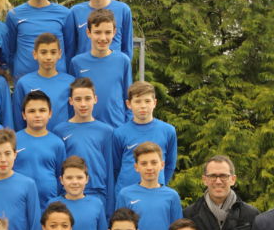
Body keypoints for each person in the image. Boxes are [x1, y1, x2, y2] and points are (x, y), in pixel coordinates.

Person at [52, 77, 116, 215]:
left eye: (87, 98)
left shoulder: (106, 131)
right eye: (78, 99)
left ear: (95, 99)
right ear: (70, 101)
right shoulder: (60, 130)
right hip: (68, 194)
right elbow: (58, 168)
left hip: (97, 192)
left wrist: (110, 207)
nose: (83, 104)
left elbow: (110, 170)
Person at [115, 142, 182, 230]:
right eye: (144, 163)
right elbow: (119, 229)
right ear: (136, 167)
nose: (149, 167)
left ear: (162, 165)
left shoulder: (172, 196)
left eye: (154, 162)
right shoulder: (125, 194)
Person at [6, 0, 72, 78]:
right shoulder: (14, 15)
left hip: (57, 81)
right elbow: (9, 52)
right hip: (24, 81)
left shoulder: (65, 14)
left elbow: (70, 50)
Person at [112, 80, 177, 197]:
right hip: (127, 194)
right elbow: (115, 168)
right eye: (137, 101)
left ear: (154, 103)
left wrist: (160, 184)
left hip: (156, 193)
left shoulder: (168, 131)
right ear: (129, 104)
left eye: (147, 101)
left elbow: (170, 165)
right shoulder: (119, 133)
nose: (143, 106)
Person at [69, 9, 132, 128]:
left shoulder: (123, 61)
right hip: (86, 129)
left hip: (116, 128)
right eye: (97, 32)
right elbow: (73, 99)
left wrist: (127, 128)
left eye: (107, 32)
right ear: (88, 32)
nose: (103, 38)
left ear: (114, 32)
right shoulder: (77, 63)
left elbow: (128, 98)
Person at [13, 90, 66, 209]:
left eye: (42, 110)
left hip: (49, 205)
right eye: (32, 111)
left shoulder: (57, 143)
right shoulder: (13, 141)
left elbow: (61, 176)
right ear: (23, 115)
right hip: (19, 204)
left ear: (50, 113)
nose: (37, 115)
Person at [12, 33, 74, 131]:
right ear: (35, 54)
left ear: (59, 54)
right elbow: (18, 118)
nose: (48, 57)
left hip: (63, 139)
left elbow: (73, 115)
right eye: (43, 52)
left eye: (53, 52)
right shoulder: (24, 83)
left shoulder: (70, 82)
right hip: (33, 139)